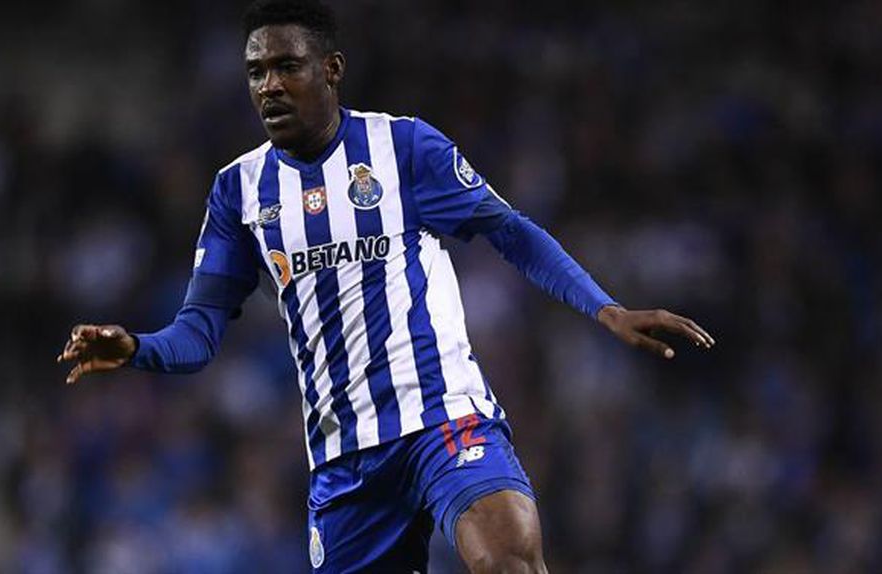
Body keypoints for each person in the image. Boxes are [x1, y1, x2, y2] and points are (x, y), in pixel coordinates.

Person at [57, 0, 715, 571]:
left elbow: (510, 231)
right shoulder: (240, 191)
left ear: (332, 69)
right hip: (345, 461)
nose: (270, 86)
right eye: (256, 72)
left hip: (442, 417)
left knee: (507, 558)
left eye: (287, 66)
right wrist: (137, 348)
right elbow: (199, 331)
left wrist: (606, 310)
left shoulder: (403, 149)